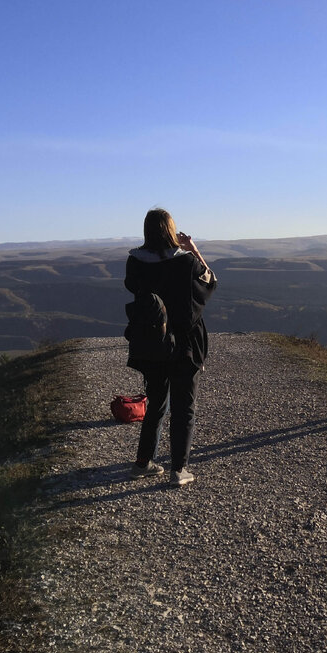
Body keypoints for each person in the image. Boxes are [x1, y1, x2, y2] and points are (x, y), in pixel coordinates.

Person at [125, 208, 217, 486]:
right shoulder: (186, 261)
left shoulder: (135, 261)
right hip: (185, 342)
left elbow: (132, 288)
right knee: (184, 405)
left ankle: (143, 462)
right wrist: (193, 248)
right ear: (170, 229)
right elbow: (210, 282)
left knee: (156, 404)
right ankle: (179, 469)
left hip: (151, 341)